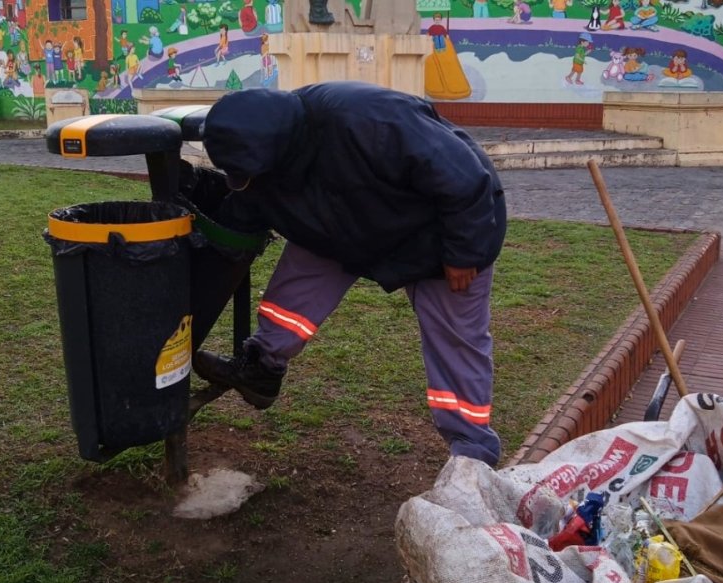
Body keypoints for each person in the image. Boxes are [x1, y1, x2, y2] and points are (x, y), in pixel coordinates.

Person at [196, 82, 507, 467]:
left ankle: (473, 454)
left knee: (457, 339)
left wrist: (465, 252)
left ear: (279, 153)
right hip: (351, 223)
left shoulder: (368, 119)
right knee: (298, 278)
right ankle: (262, 368)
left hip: (442, 234)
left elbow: (464, 179)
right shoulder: (268, 157)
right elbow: (249, 206)